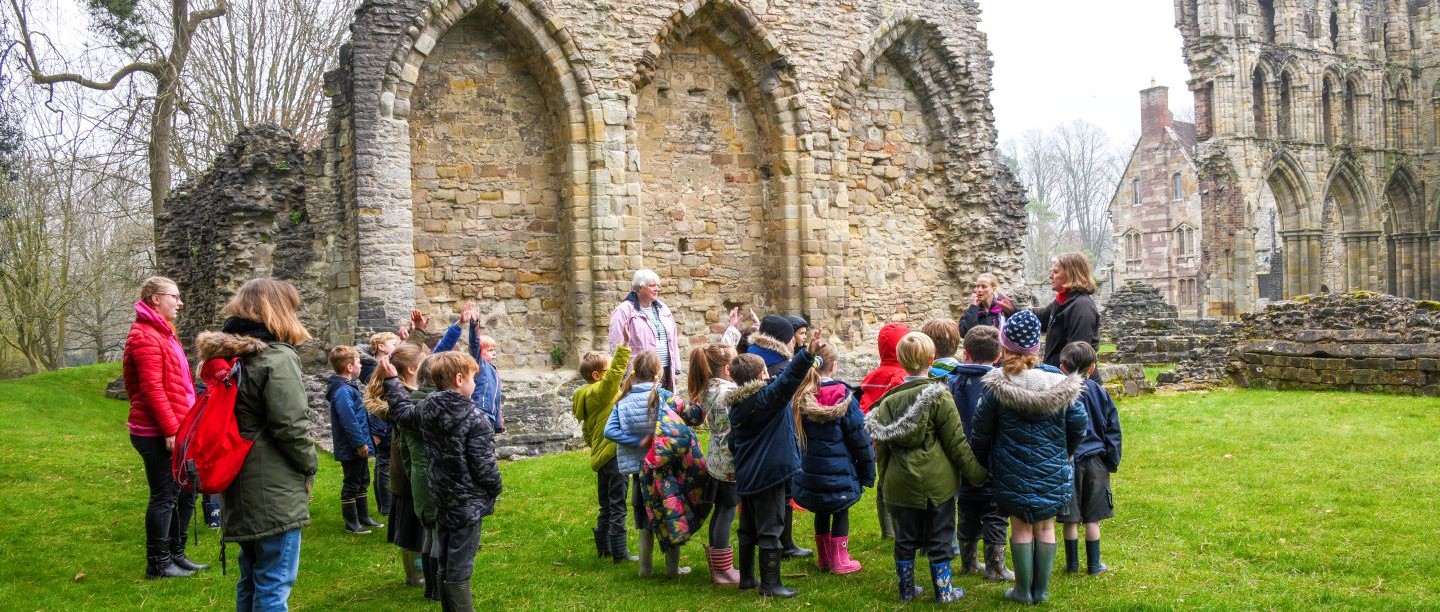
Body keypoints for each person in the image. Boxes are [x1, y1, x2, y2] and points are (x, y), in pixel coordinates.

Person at [199, 278, 318, 611]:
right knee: (274, 583)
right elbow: (291, 427)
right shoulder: (276, 359)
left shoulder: (233, 359)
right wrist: (309, 465)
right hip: (272, 486)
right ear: (278, 311)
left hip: (241, 480)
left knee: (251, 578)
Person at [971, 310, 1088, 605]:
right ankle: (1042, 590)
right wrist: (1067, 451)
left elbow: (981, 429)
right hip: (1052, 468)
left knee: (1021, 526)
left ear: (1004, 346)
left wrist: (983, 459)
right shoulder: (1058, 382)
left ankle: (1023, 590)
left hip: (1011, 469)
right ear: (1035, 347)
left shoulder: (998, 386)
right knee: (1046, 526)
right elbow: (1078, 424)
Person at [864, 332, 990, 604]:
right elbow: (957, 442)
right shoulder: (940, 396)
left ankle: (907, 590)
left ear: (899, 361)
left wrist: (886, 481)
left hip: (900, 484)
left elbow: (882, 449)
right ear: (932, 360)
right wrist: (978, 475)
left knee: (905, 538)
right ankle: (944, 592)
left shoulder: (887, 402)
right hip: (937, 484)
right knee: (940, 536)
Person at [380, 350, 502, 612]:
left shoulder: (426, 408)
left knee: (446, 559)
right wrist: (495, 487)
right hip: (466, 504)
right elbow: (484, 466)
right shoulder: (475, 419)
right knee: (459, 565)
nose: (474, 383)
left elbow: (403, 413)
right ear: (459, 379)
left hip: (440, 498)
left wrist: (392, 383)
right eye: (472, 377)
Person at [724, 333, 824, 598]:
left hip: (747, 475)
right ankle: (770, 585)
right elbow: (790, 379)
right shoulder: (766, 399)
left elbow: (734, 442)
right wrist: (808, 354)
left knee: (748, 527)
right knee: (771, 528)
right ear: (760, 374)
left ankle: (747, 578)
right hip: (769, 475)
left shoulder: (737, 405)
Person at [122, 276, 204, 579]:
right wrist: (171, 431)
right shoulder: (145, 335)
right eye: (175, 296)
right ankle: (158, 563)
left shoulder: (163, 332)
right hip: (155, 432)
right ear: (155, 299)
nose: (180, 302)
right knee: (165, 495)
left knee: (184, 492)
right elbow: (153, 390)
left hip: (177, 427)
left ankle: (176, 555)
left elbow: (180, 385)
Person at [604, 351, 691, 578]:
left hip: (638, 469)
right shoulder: (664, 397)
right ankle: (673, 570)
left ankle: (645, 569)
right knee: (669, 515)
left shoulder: (623, 399)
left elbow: (609, 431)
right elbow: (684, 420)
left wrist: (635, 442)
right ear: (657, 372)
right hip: (664, 468)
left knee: (644, 520)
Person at [790, 341, 874, 575]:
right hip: (839, 470)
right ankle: (840, 559)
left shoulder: (800, 396)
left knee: (821, 510)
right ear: (834, 366)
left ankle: (824, 557)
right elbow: (860, 437)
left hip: (811, 471)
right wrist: (867, 470)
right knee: (840, 509)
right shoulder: (845, 397)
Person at [940, 324, 1014, 581]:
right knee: (995, 512)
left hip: (960, 459)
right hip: (994, 459)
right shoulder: (1000, 382)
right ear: (998, 355)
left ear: (966, 352)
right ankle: (995, 566)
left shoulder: (953, 380)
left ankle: (969, 562)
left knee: (968, 508)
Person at [364, 343, 429, 591]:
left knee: (413, 526)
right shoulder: (404, 397)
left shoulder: (398, 389)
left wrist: (417, 334)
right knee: (413, 530)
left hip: (405, 470)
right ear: (412, 369)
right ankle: (416, 575)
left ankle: (417, 573)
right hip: (408, 471)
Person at [1055, 342, 1123, 576]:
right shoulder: (1100, 392)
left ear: (1062, 367)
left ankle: (1072, 565)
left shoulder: (1059, 393)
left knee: (1071, 518)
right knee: (1092, 518)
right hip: (1096, 462)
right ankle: (1094, 565)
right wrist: (1112, 460)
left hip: (1068, 461)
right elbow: (1113, 429)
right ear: (1092, 368)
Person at [571, 329, 635, 563]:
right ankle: (619, 552)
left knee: (606, 505)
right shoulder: (600, 392)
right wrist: (624, 347)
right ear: (598, 376)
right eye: (608, 374)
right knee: (618, 505)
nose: (614, 378)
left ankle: (604, 549)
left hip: (601, 456)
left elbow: (588, 432)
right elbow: (614, 377)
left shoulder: (590, 395)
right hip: (613, 456)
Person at [687, 341, 741, 584]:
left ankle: (719, 567)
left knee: (721, 510)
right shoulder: (728, 394)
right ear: (728, 369)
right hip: (729, 462)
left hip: (716, 459)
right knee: (726, 511)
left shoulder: (707, 387)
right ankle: (722, 570)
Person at [859, 321, 911, 540]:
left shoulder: (872, 375)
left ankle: (887, 530)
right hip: (894, 435)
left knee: (883, 483)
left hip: (874, 436)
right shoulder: (900, 377)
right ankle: (900, 529)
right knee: (899, 483)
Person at [326, 345, 380, 535]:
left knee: (362, 479)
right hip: (351, 446)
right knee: (352, 482)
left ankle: (363, 517)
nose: (360, 366)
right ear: (349, 367)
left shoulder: (349, 387)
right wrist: (359, 443)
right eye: (358, 362)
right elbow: (348, 419)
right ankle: (351, 522)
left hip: (358, 444)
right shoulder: (342, 391)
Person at [608, 269, 682, 389]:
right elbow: (616, 344)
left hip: (665, 369)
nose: (657, 288)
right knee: (645, 405)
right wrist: (622, 374)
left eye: (658, 285)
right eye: (652, 285)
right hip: (640, 372)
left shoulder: (663, 309)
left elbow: (673, 341)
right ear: (640, 287)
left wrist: (676, 370)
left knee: (664, 405)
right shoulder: (624, 311)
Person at [1033, 253, 1101, 371]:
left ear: (1071, 274)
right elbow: (1040, 320)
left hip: (1075, 382)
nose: (1050, 276)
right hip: (1060, 377)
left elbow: (1077, 356)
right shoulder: (1063, 301)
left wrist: (1045, 369)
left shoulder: (1081, 307)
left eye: (1055, 272)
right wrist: (1012, 310)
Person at [362, 333, 401, 519]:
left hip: (384, 425)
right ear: (381, 347)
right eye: (394, 343)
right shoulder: (374, 370)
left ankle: (383, 505)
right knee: (385, 466)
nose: (397, 345)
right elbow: (375, 399)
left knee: (382, 465)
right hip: (383, 425)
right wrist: (378, 431)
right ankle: (386, 507)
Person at [959, 273, 1013, 338]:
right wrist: (973, 308)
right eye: (977, 286)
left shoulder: (1004, 308)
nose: (979, 290)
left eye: (984, 286)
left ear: (993, 289)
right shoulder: (972, 310)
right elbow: (964, 333)